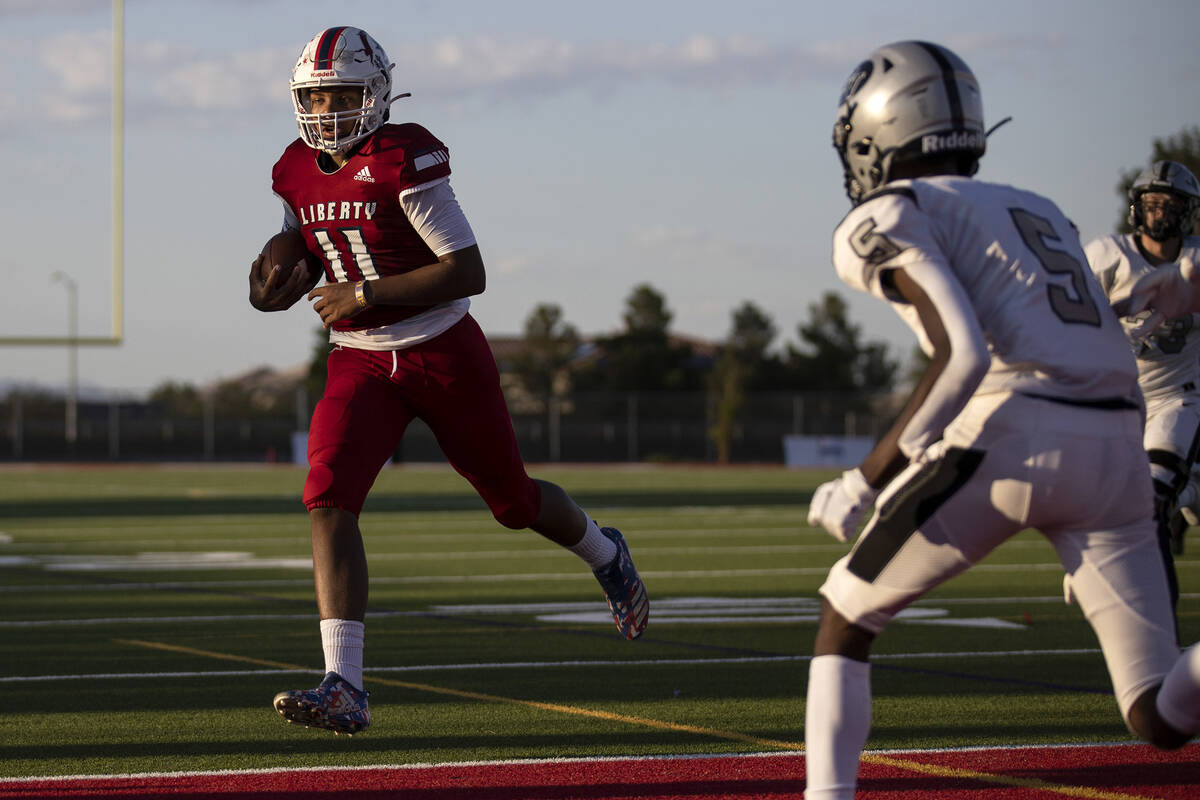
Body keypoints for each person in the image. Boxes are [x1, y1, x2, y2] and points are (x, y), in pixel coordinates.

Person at [803, 40, 1200, 799]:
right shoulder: (1038, 206)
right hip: (1119, 445)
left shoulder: (895, 211)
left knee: (844, 617)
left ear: (884, 129)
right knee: (1158, 713)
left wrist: (866, 476)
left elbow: (964, 357)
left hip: (1016, 430)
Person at [249, 25, 648, 736]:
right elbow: (302, 248)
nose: (329, 109)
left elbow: (469, 271)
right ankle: (345, 683)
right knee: (327, 492)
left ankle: (604, 550)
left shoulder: (405, 156)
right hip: (359, 357)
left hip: (440, 348)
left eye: (342, 93)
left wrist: (367, 294)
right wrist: (274, 280)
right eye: (317, 96)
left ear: (375, 94)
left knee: (513, 502)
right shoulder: (293, 167)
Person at [1084, 160, 1200, 615]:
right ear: (1136, 208)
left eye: (1170, 205)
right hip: (1117, 403)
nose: (1160, 213)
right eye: (1152, 203)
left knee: (1151, 502)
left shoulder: (1196, 260)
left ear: (1187, 212)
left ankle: (1159, 626)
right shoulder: (1106, 255)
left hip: (1179, 397)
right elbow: (1074, 317)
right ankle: (1190, 494)